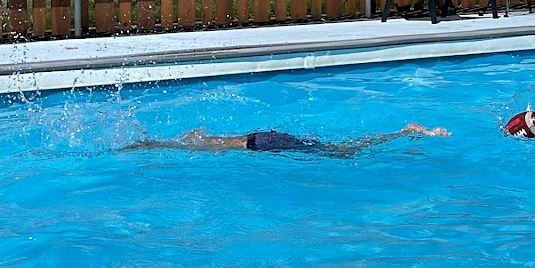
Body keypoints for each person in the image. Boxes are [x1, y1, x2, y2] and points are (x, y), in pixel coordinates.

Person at [119, 122, 449, 158]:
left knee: (345, 153)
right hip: (267, 138)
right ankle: (403, 132)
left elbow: (185, 142)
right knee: (343, 150)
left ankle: (406, 132)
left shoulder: (205, 144)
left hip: (266, 142)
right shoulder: (212, 142)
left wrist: (148, 145)